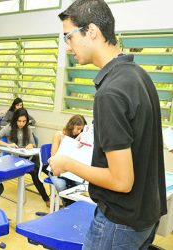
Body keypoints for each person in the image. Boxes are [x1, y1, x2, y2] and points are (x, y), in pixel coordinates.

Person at [49, 0, 167, 248]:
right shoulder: (138, 76)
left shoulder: (110, 92)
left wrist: (67, 163)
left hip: (119, 222)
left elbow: (121, 181)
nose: (67, 47)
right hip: (145, 217)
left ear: (91, 31)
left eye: (68, 37)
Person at [0, 108, 50, 206]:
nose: (21, 123)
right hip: (17, 159)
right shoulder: (9, 127)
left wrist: (31, 145)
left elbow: (33, 144)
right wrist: (8, 145)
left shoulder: (27, 128)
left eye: (24, 121)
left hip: (30, 156)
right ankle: (47, 199)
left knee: (47, 167)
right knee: (35, 171)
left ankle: (60, 193)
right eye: (19, 121)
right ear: (15, 120)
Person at [49, 115, 87, 198]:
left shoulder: (80, 137)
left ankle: (74, 205)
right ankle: (66, 204)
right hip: (57, 168)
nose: (78, 131)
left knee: (83, 185)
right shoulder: (59, 135)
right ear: (71, 126)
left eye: (81, 129)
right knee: (61, 186)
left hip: (71, 170)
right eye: (77, 128)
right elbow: (53, 156)